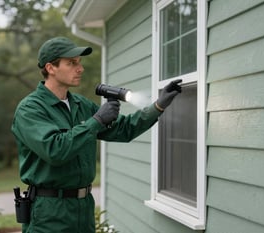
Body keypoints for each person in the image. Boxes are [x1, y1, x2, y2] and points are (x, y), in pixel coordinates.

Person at [11, 36, 181, 233]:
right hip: (50, 212)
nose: (80, 68)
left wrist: (158, 106)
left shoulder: (81, 105)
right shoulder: (30, 109)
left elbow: (123, 129)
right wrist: (97, 121)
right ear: (51, 68)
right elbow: (55, 150)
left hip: (84, 207)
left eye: (79, 63)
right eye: (71, 63)